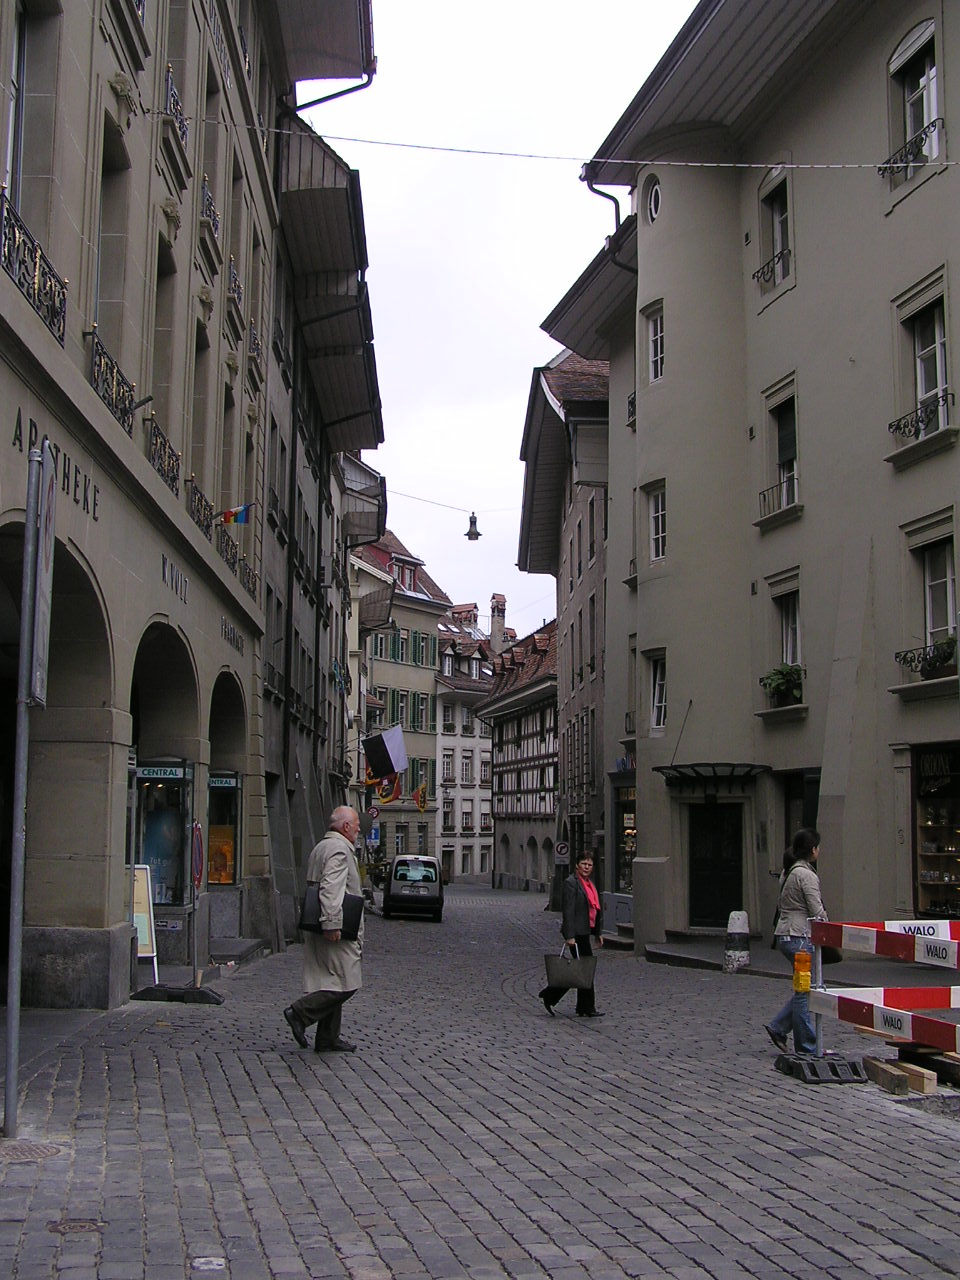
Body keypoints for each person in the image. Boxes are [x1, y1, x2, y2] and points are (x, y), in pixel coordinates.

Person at [284, 805, 363, 1053]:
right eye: (356, 824)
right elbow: (330, 888)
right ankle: (299, 1013)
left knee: (332, 980)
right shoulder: (339, 849)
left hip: (320, 922)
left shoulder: (322, 846)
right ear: (345, 826)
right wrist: (331, 923)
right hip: (335, 925)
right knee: (346, 982)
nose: (359, 828)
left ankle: (328, 1037)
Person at [764, 827, 828, 1055]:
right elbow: (816, 909)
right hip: (800, 937)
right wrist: (829, 928)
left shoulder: (788, 871)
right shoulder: (806, 875)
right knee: (804, 992)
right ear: (813, 849)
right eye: (817, 847)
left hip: (786, 934)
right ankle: (806, 1045)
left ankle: (779, 1027)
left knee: (805, 988)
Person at [538, 850, 604, 1017]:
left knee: (582, 969)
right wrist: (569, 936)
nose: (586, 867)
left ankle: (575, 1004)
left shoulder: (589, 884)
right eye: (583, 864)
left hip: (585, 931)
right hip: (576, 933)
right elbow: (568, 911)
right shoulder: (571, 883)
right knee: (584, 969)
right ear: (577, 865)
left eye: (589, 864)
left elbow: (594, 909)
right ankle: (585, 1006)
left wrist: (597, 933)